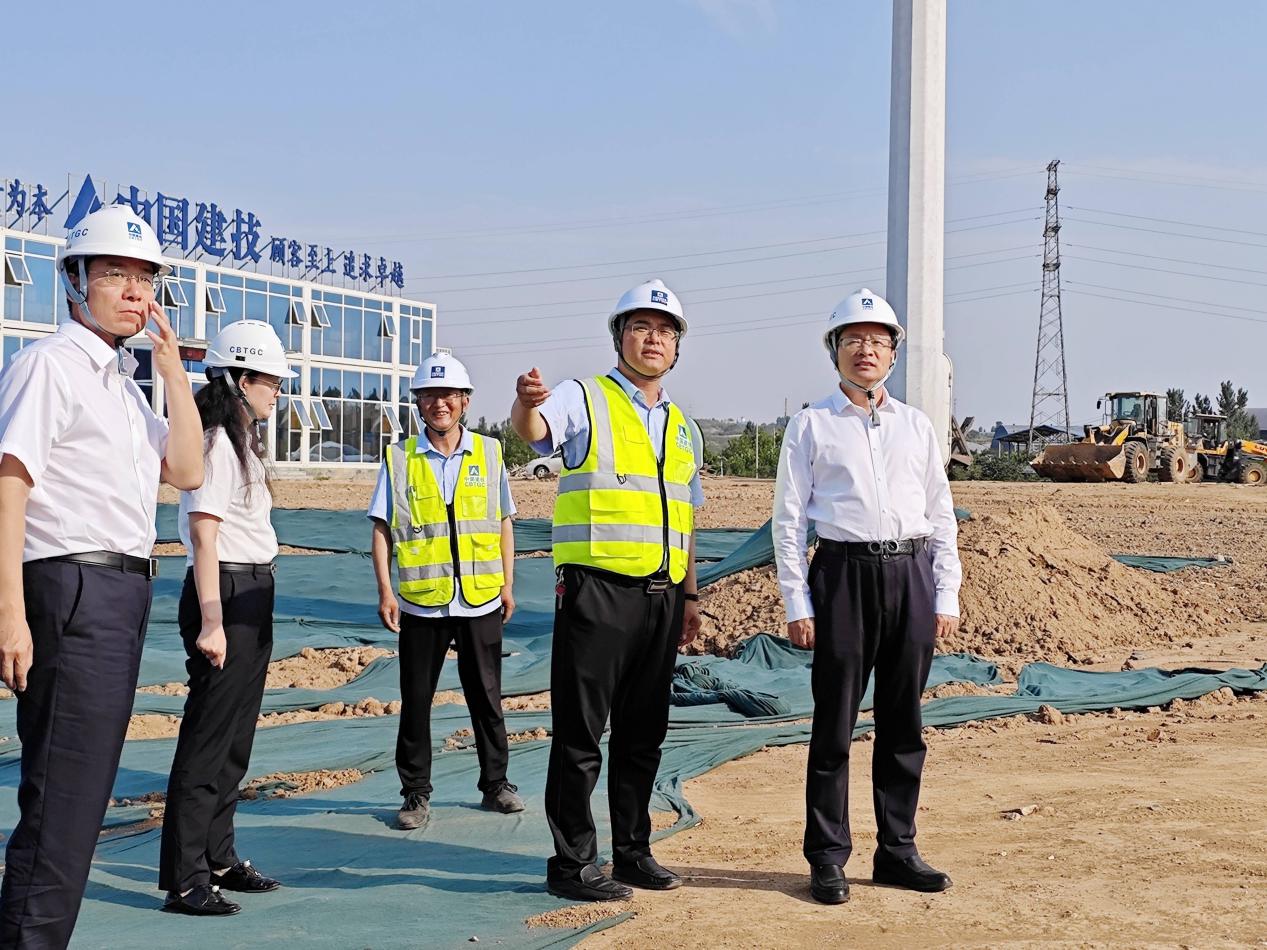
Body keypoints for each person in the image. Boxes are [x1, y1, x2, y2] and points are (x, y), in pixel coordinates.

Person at [0, 205, 203, 947]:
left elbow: (187, 469)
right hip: (71, 590)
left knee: (79, 804)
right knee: (62, 804)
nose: (134, 291)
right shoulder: (49, 365)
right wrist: (9, 614)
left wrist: (173, 372)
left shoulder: (122, 384)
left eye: (145, 278)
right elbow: (9, 485)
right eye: (115, 274)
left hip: (120, 593)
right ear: (75, 280)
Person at [511, 278, 704, 903]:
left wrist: (690, 598)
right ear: (620, 336)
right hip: (597, 592)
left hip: (662, 595)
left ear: (677, 347)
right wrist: (525, 403)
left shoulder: (683, 427)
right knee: (581, 734)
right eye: (641, 327)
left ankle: (632, 851)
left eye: (665, 331)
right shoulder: (584, 396)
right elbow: (535, 430)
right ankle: (572, 863)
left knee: (644, 734)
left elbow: (686, 517)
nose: (654, 339)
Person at [772, 288, 962, 906]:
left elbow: (940, 512)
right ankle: (827, 856)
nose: (866, 350)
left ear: (893, 354)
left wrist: (946, 593)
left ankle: (897, 850)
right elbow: (789, 522)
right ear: (834, 349)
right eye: (853, 339)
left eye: (878, 341)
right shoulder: (811, 425)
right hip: (842, 576)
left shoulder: (916, 425)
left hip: (910, 573)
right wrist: (797, 603)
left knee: (904, 721)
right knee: (835, 723)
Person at [158, 320, 295, 916]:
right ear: (239, 379)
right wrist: (213, 622)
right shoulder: (214, 442)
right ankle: (186, 879)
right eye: (270, 381)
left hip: (252, 592)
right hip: (225, 595)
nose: (277, 392)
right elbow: (203, 535)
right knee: (207, 741)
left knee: (236, 739)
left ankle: (218, 856)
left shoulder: (243, 442)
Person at [369, 352, 523, 832]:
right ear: (418, 402)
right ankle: (415, 793)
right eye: (430, 395)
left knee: (487, 697)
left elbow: (503, 522)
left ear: (465, 401)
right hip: (422, 602)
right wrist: (385, 591)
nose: (440, 403)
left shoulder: (490, 453)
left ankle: (496, 785)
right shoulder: (399, 458)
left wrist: (508, 584)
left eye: (449, 395)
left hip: (480, 597)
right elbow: (382, 529)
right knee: (416, 701)